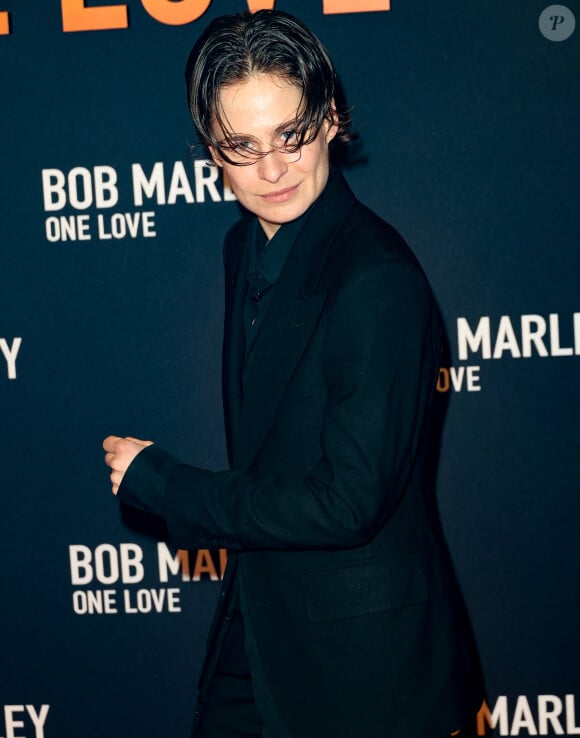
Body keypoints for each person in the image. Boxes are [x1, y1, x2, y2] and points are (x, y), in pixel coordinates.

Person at [103, 10, 483, 738]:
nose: (272, 170)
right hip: (264, 631)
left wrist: (164, 483)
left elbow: (348, 502)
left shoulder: (376, 279)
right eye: (240, 147)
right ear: (209, 150)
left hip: (367, 672)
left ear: (332, 114)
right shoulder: (242, 246)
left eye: (291, 135)